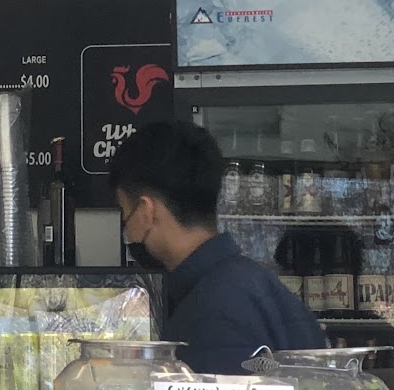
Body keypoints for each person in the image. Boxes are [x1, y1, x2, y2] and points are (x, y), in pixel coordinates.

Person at [108, 120, 325, 374]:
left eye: (125, 213)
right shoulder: (263, 288)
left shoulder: (211, 314)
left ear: (146, 211)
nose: (127, 230)